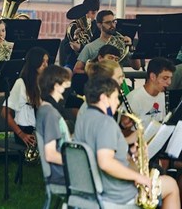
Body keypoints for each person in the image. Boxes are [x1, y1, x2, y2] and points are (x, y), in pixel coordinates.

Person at [74, 76, 180, 208]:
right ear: (103, 98)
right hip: (113, 191)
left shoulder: (85, 119)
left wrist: (130, 154)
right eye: (114, 98)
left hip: (91, 185)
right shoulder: (105, 123)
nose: (117, 103)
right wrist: (139, 177)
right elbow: (105, 162)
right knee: (171, 185)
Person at [0, 47, 49, 148]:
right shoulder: (21, 83)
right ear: (34, 62)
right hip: (25, 131)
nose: (46, 65)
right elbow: (4, 112)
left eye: (47, 61)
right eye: (42, 61)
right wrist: (21, 134)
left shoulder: (43, 83)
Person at [36, 65, 72, 185]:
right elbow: (50, 154)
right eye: (66, 83)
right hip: (62, 174)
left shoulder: (46, 109)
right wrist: (78, 163)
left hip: (62, 171)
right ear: (57, 86)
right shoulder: (50, 113)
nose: (69, 86)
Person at [73, 10, 140, 74]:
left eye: (114, 22)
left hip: (118, 82)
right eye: (108, 22)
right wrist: (95, 73)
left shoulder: (121, 43)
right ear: (99, 25)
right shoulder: (90, 47)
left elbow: (137, 67)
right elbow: (77, 69)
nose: (112, 25)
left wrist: (131, 47)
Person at [121, 57, 175, 130]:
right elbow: (123, 131)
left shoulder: (162, 94)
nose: (169, 82)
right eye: (165, 78)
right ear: (152, 76)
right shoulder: (134, 98)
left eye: (170, 78)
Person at [63, 0, 100, 71]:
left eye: (93, 13)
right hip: (72, 62)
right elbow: (65, 50)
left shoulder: (98, 28)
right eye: (87, 12)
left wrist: (80, 48)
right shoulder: (73, 26)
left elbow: (96, 50)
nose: (89, 16)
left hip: (93, 65)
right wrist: (74, 39)